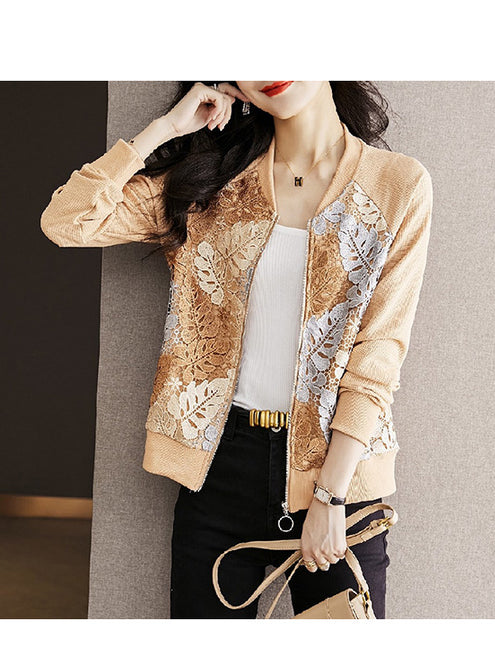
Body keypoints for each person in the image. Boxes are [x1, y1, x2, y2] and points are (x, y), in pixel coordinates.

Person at [40, 81, 433, 619]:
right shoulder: (211, 182)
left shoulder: (398, 185)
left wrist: (330, 496)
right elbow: (66, 221)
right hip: (220, 471)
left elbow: (378, 354)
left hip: (340, 477)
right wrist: (167, 129)